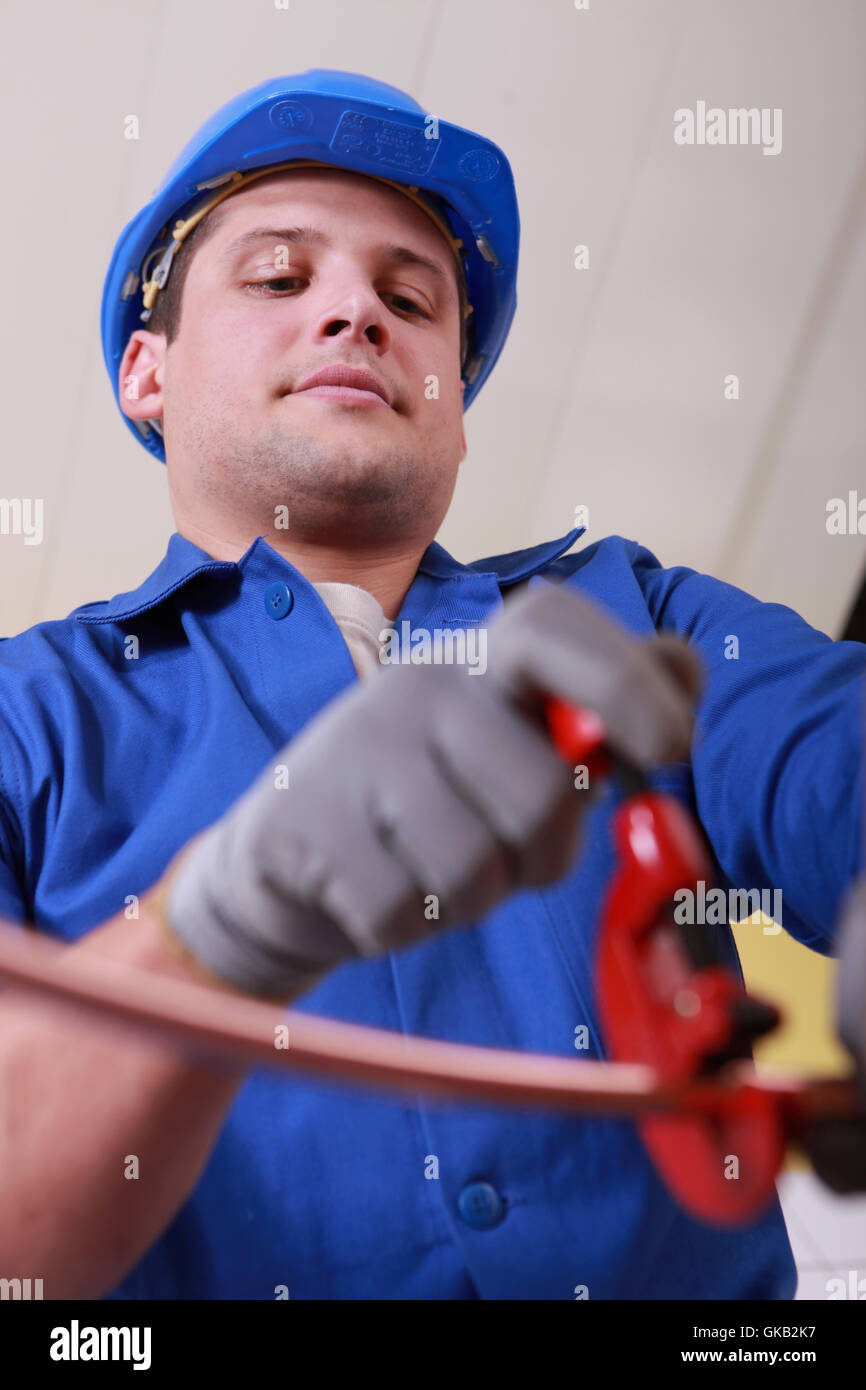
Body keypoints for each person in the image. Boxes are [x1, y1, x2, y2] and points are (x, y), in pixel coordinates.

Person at [0, 70, 862, 1301]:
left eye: (411, 298)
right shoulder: (21, 716)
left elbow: (831, 748)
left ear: (456, 420)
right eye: (281, 277)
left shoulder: (635, 615)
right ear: (147, 372)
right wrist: (216, 936)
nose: (357, 312)